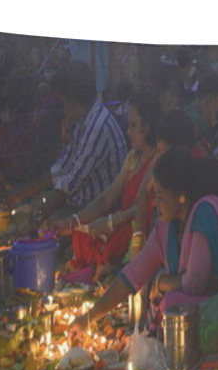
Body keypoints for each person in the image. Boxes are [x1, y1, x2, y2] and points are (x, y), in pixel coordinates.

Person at [71, 149, 218, 332]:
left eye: (160, 196)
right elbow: (132, 274)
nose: (156, 204)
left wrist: (160, 284)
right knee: (169, 304)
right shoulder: (165, 229)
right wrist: (89, 317)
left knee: (171, 303)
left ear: (181, 197)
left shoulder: (204, 213)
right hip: (203, 304)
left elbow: (194, 283)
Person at [53, 90, 161, 281]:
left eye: (133, 126)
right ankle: (100, 269)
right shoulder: (132, 158)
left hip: (139, 224)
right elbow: (106, 199)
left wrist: (112, 222)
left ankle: (104, 270)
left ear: (148, 127)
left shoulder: (158, 159)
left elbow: (148, 206)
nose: (128, 131)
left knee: (122, 236)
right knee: (81, 234)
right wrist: (73, 222)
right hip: (120, 221)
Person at [5, 60, 127, 226]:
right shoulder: (85, 121)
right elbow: (62, 168)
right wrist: (20, 194)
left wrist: (37, 218)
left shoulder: (97, 127)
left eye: (63, 101)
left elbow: (69, 183)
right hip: (81, 208)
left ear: (71, 101)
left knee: (44, 226)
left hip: (100, 216)